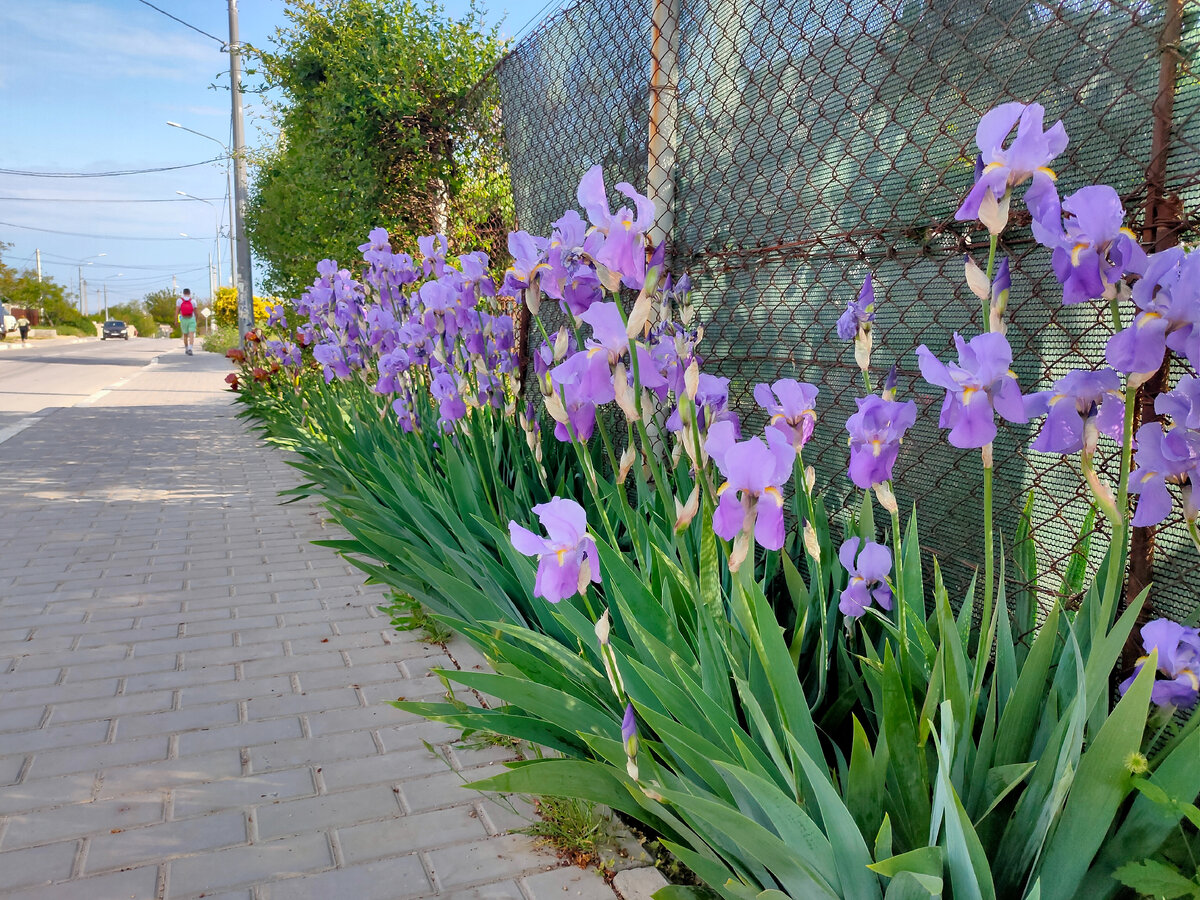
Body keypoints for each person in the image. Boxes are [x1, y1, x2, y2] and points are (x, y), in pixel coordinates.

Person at [177, 289, 197, 355]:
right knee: (191, 335)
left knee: (185, 335)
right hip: (191, 319)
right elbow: (196, 312)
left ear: (183, 293)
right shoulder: (193, 301)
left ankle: (186, 348)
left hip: (183, 319)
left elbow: (177, 311)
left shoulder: (179, 301)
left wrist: (176, 320)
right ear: (189, 293)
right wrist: (196, 319)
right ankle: (190, 349)